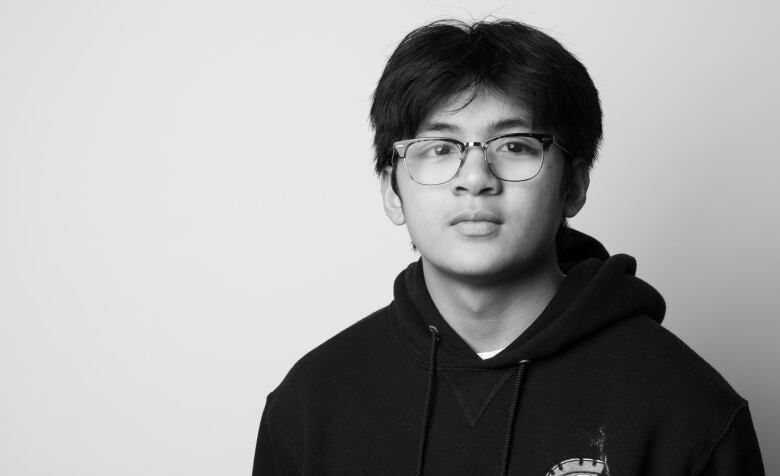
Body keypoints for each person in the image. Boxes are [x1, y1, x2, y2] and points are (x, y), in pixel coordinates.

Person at [252, 19, 765, 476]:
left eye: (515, 146)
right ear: (392, 191)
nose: (475, 179)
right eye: (439, 148)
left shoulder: (685, 406)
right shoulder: (311, 403)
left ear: (574, 186)